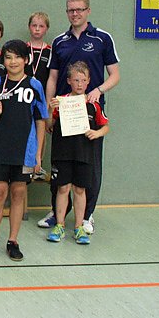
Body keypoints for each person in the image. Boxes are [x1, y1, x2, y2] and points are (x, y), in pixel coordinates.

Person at [38, 0, 120, 234]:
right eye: (70, 10)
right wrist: (49, 109)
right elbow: (52, 78)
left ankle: (86, 216)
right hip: (64, 113)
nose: (75, 13)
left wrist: (98, 90)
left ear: (88, 11)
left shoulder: (102, 38)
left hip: (89, 114)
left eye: (79, 9)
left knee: (89, 166)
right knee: (60, 165)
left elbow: (115, 75)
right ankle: (58, 214)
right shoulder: (60, 42)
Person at [0, 39, 47, 262]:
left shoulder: (34, 85)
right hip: (0, 149)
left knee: (18, 193)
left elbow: (40, 121)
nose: (13, 61)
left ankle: (13, 241)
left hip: (25, 150)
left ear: (25, 60)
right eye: (8, 57)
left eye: (18, 57)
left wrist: (38, 154)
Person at [46, 61, 110, 245]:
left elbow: (105, 126)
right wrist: (51, 108)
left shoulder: (93, 104)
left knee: (80, 190)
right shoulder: (61, 101)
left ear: (89, 81)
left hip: (84, 154)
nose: (80, 84)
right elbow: (49, 125)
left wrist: (97, 133)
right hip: (63, 153)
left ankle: (78, 227)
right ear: (69, 81)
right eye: (76, 80)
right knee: (63, 188)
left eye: (83, 80)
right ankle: (59, 225)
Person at [25, 11, 52, 181]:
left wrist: (49, 104)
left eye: (41, 26)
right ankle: (25, 165)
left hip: (42, 98)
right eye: (34, 25)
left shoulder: (50, 51)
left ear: (46, 29)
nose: (37, 29)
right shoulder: (22, 49)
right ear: (29, 27)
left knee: (41, 128)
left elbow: (52, 78)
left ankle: (38, 165)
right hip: (24, 97)